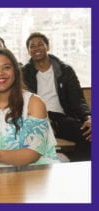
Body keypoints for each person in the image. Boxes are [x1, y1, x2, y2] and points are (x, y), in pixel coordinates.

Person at [0, 48, 59, 166]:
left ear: (15, 72)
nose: (0, 73)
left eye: (6, 67)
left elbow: (33, 153)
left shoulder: (34, 103)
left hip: (35, 174)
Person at [22, 32, 91, 161]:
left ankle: (76, 170)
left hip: (62, 119)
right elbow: (23, 102)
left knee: (88, 136)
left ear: (47, 47)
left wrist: (88, 117)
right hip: (37, 118)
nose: (36, 48)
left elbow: (77, 99)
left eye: (40, 44)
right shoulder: (24, 74)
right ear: (28, 51)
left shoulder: (65, 71)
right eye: (32, 46)